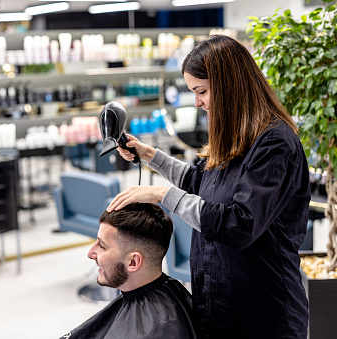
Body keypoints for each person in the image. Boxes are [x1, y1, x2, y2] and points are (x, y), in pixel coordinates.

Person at [108, 35, 310, 339]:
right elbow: (200, 183)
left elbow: (239, 223)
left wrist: (162, 195)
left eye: (201, 91)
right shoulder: (234, 134)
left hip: (263, 312)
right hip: (221, 303)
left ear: (229, 85)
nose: (197, 102)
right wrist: (151, 156)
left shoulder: (274, 143)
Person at [59, 203, 197, 339]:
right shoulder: (171, 294)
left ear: (133, 262)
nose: (90, 253)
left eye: (102, 246)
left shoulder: (160, 328)